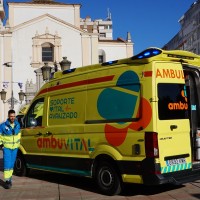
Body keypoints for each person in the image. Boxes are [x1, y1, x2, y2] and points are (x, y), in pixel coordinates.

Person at [0, 109, 21, 189]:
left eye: (14, 116)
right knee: (7, 164)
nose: (12, 118)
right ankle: (7, 181)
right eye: (11, 116)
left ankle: (10, 179)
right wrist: (1, 145)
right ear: (8, 116)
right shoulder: (3, 126)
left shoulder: (17, 124)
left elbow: (19, 135)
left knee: (12, 165)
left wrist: (18, 144)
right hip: (7, 148)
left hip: (15, 148)